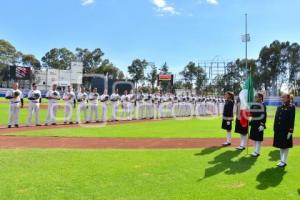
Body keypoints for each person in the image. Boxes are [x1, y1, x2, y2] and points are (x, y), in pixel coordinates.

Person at [273, 93, 296, 168]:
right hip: (279, 130)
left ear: (288, 98)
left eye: (284, 97)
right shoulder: (279, 107)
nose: (282, 98)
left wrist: (291, 131)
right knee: (281, 145)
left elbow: (292, 120)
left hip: (286, 130)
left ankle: (284, 161)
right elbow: (276, 119)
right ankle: (281, 160)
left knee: (285, 146)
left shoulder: (291, 107)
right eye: (282, 97)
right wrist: (275, 128)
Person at [249, 93, 267, 157]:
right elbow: (250, 112)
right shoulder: (253, 104)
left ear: (260, 98)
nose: (255, 98)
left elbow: (264, 115)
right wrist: (250, 117)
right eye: (255, 97)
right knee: (254, 138)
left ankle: (257, 152)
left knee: (258, 138)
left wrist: (262, 124)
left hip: (259, 124)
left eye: (256, 97)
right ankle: (255, 150)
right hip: (254, 123)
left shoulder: (263, 105)